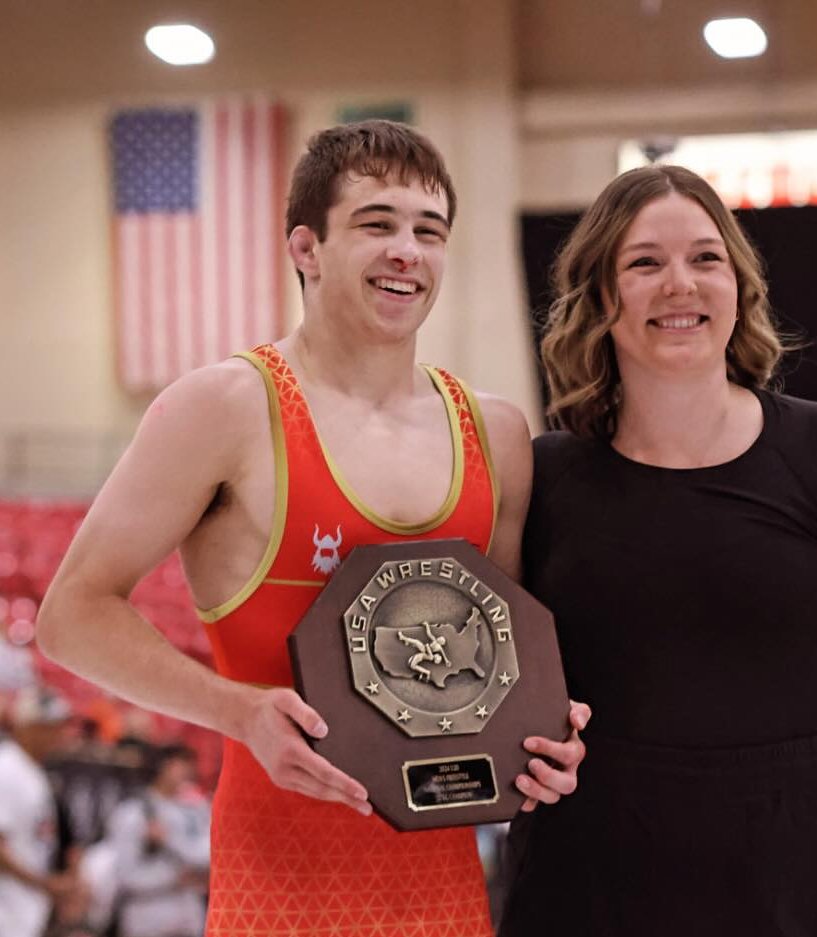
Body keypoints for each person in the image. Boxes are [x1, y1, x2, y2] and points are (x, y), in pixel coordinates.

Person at [36, 120, 588, 937]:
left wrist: (547, 742)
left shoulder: (494, 431)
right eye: (377, 223)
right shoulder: (223, 407)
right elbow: (69, 614)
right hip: (279, 876)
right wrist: (238, 711)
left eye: (428, 232)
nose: (408, 250)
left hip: (441, 883)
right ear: (306, 246)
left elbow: (503, 669)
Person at [499, 164, 817, 936]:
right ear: (602, 298)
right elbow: (481, 693)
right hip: (583, 892)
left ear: (739, 286)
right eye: (643, 263)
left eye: (706, 258)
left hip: (806, 895)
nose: (681, 285)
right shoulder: (542, 479)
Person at [0, 685, 83, 937]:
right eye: (50, 727)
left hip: (25, 906)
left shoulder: (34, 772)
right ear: (27, 727)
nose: (59, 735)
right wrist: (46, 884)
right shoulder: (6, 769)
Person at [106, 744, 210, 937]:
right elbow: (125, 876)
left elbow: (209, 855)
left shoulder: (196, 808)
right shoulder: (134, 812)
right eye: (179, 764)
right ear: (161, 766)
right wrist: (173, 879)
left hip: (191, 916)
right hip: (149, 918)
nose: (187, 771)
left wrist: (170, 840)